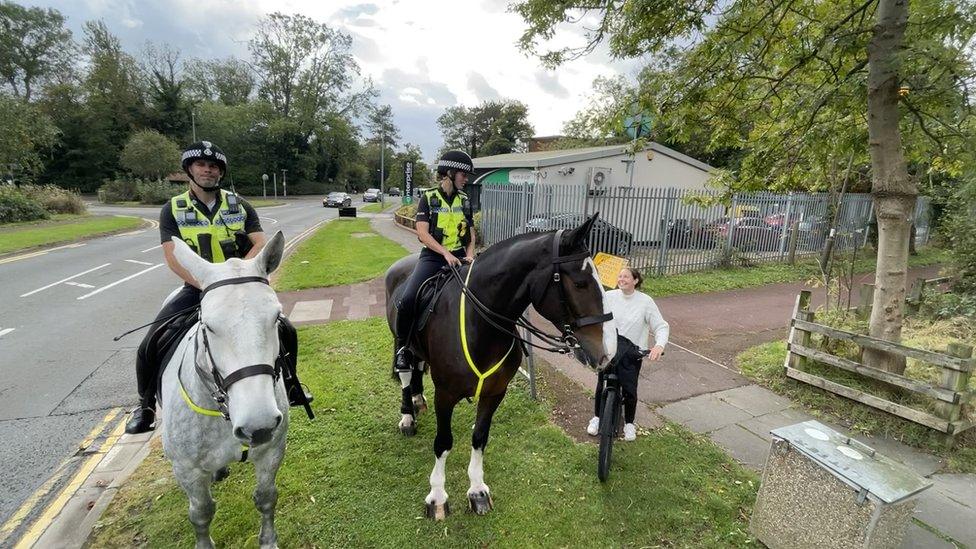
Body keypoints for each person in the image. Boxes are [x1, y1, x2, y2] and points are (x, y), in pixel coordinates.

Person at [125, 141, 310, 434]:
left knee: (285, 329)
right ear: (190, 170)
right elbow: (172, 256)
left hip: (240, 287)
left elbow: (259, 244)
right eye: (201, 165)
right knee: (152, 341)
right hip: (197, 287)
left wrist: (237, 275)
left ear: (220, 172)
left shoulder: (239, 205)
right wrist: (210, 284)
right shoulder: (172, 209)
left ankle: (292, 385)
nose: (208, 170)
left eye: (213, 166)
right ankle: (145, 404)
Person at [393, 150, 476, 372]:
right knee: (409, 299)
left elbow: (470, 233)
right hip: (433, 257)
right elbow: (422, 233)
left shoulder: (465, 200)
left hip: (460, 257)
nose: (466, 179)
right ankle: (404, 349)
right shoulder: (428, 198)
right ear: (449, 173)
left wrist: (470, 253)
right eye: (463, 175)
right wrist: (445, 253)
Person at [587, 267, 669, 441]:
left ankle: (629, 423)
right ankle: (597, 417)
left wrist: (659, 345)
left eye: (625, 276)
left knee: (630, 390)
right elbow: (594, 315)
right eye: (619, 276)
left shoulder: (645, 301)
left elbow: (661, 325)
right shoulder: (609, 297)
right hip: (609, 349)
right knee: (601, 384)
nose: (621, 279)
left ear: (635, 281)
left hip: (631, 353)